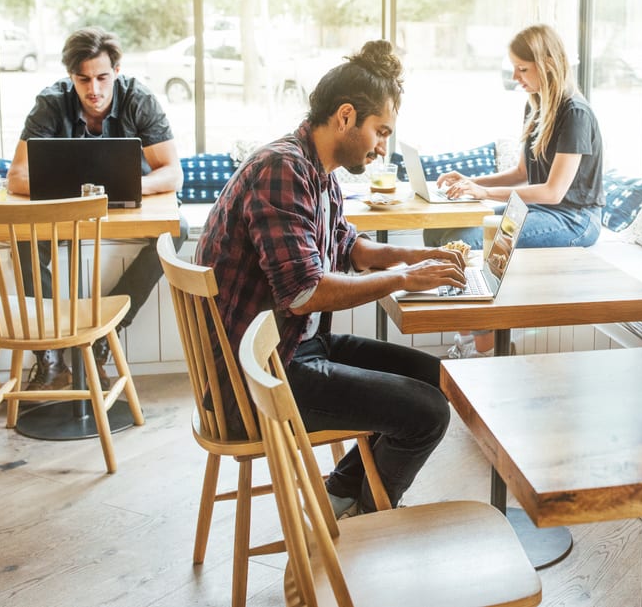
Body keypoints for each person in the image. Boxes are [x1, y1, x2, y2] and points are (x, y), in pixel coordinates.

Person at [196, 41, 464, 517]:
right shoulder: (282, 170)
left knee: (437, 379)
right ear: (346, 117)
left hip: (292, 348)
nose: (383, 148)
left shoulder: (316, 170)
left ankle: (340, 494)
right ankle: (363, 518)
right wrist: (405, 278)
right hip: (258, 379)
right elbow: (304, 294)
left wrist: (421, 256)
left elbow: (349, 247)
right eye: (380, 132)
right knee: (427, 414)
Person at [6, 27, 187, 391]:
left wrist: (123, 189)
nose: (94, 90)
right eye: (83, 79)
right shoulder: (51, 102)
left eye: (103, 77)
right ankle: (52, 354)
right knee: (24, 238)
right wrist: (81, 194)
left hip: (127, 206)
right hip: (65, 210)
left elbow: (173, 174)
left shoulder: (139, 99)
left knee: (176, 230)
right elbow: (16, 177)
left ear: (116, 72)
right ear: (71, 77)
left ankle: (106, 333)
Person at [424, 24, 605, 357]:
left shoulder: (575, 114)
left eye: (523, 69)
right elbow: (522, 173)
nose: (516, 77)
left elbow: (553, 192)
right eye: (514, 69)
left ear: (548, 63)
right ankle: (468, 336)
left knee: (473, 241)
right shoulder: (535, 105)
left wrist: (482, 194)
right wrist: (472, 182)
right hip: (540, 210)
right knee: (442, 234)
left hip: (575, 219)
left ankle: (483, 349)